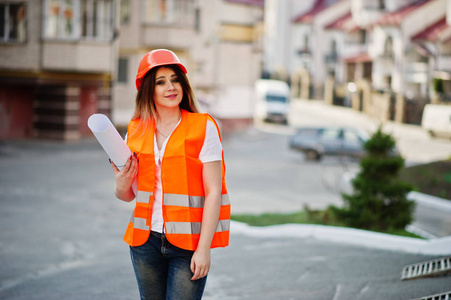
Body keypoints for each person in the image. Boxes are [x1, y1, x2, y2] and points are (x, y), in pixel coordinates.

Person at [110, 49, 230, 300]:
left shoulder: (203, 127)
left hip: (189, 245)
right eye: (161, 82)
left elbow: (213, 192)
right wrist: (121, 184)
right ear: (148, 90)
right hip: (145, 242)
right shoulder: (134, 131)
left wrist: (204, 249)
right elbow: (127, 196)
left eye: (175, 79)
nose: (171, 87)